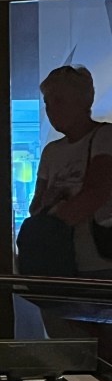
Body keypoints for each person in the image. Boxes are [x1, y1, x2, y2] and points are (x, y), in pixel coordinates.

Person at [29, 65, 112, 277]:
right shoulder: (51, 151)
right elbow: (36, 205)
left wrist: (52, 221)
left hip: (100, 261)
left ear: (83, 101)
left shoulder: (105, 137)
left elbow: (97, 192)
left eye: (59, 101)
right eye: (47, 103)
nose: (51, 110)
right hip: (61, 261)